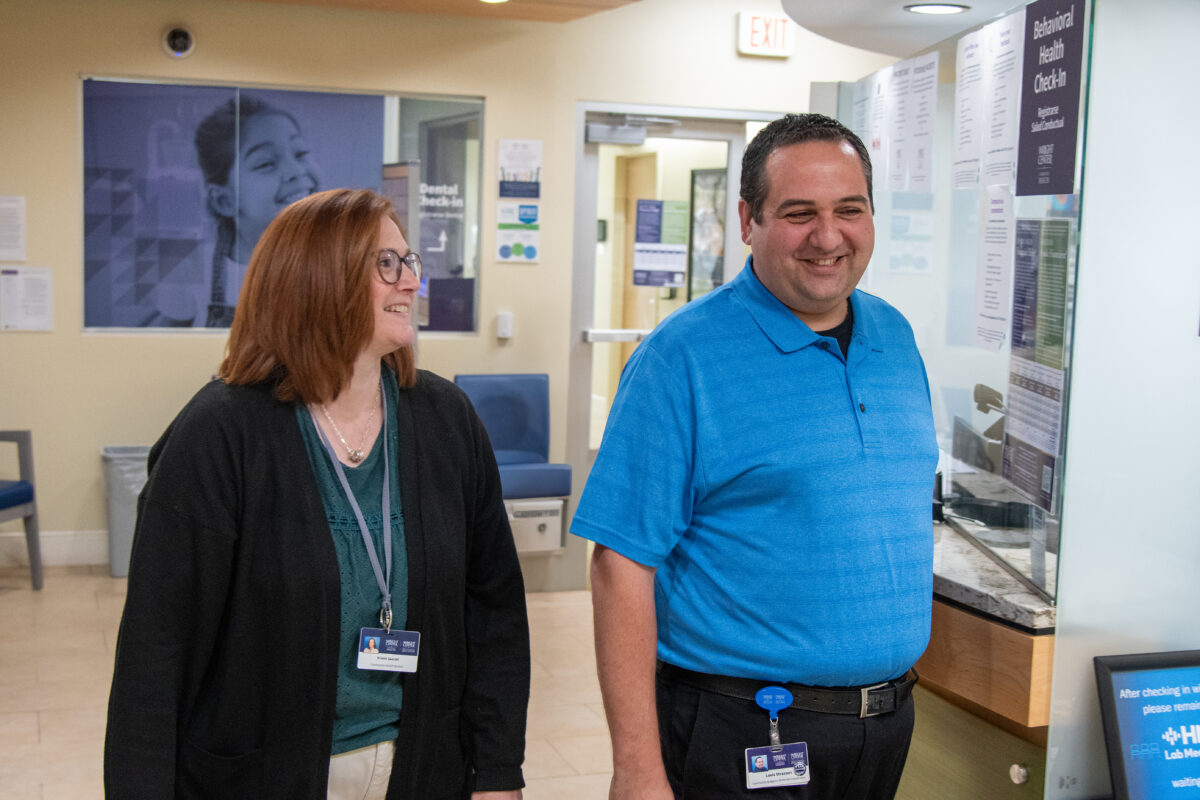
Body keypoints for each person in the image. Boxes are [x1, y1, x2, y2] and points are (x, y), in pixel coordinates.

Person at [105, 188, 529, 799]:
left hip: (424, 770)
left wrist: (496, 772)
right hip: (261, 776)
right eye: (386, 263)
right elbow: (155, 657)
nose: (410, 281)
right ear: (316, 279)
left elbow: (494, 613)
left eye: (409, 262)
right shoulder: (218, 435)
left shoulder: (446, 420)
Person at [572, 113, 938, 800]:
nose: (828, 238)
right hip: (746, 731)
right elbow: (620, 566)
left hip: (884, 728)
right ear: (748, 220)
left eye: (849, 210)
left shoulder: (896, 338)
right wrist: (637, 769)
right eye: (799, 213)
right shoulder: (682, 358)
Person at [190, 94, 321, 327]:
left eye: (300, 153)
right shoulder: (196, 269)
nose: (295, 171)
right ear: (224, 200)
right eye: (265, 163)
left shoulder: (338, 265)